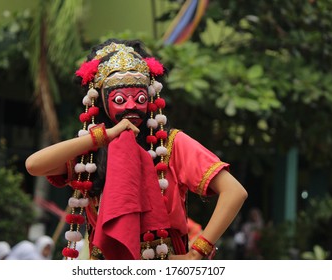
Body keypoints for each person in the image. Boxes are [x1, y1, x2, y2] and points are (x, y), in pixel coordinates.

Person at [25, 39, 248, 260]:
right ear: (101, 101)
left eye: (139, 98)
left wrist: (197, 252)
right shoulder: (90, 153)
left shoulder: (170, 144)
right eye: (120, 99)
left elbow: (235, 192)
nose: (131, 106)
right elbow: (34, 165)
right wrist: (105, 136)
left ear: (150, 97)